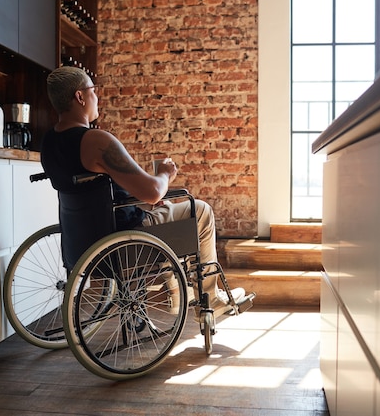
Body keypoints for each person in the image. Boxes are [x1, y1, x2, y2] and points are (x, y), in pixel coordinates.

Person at [41, 66, 246, 318]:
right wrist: (165, 174)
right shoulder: (96, 141)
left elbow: (98, 194)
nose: (98, 97)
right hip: (123, 245)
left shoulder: (49, 143)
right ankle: (210, 297)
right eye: (93, 90)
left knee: (159, 209)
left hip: (82, 246)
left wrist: (143, 202)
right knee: (200, 209)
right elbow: (153, 191)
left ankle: (177, 294)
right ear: (80, 97)